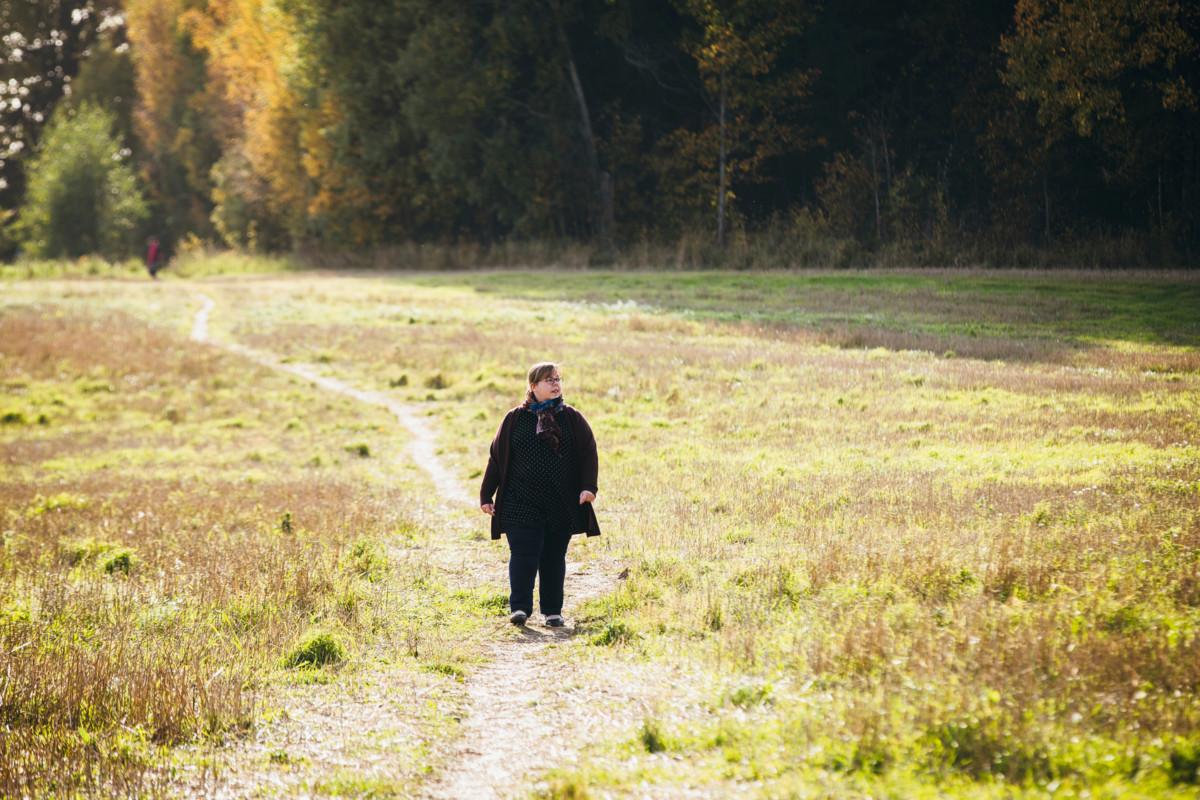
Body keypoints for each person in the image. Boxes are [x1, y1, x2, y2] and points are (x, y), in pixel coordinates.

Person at [480, 362, 600, 627]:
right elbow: (497, 457)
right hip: (520, 501)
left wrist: (588, 487)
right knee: (524, 553)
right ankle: (520, 608)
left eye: (558, 379)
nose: (556, 384)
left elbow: (588, 452)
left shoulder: (571, 418)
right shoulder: (515, 419)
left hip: (560, 501)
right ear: (533, 386)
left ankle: (552, 611)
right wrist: (486, 494)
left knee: (554, 556)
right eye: (549, 380)